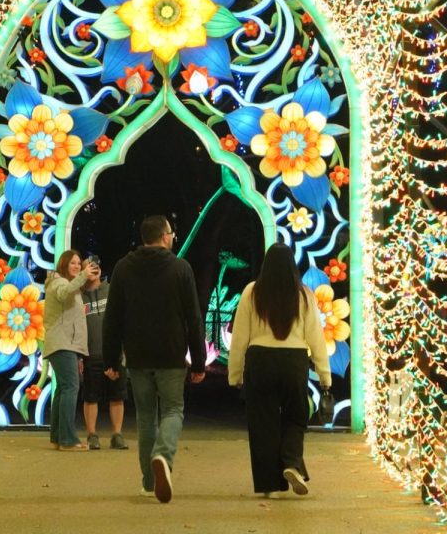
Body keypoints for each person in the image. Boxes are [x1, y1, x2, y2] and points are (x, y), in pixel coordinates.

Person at [103, 215, 206, 503]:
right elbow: (194, 318)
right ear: (163, 236)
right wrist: (199, 361)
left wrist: (111, 359)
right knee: (173, 410)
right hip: (171, 354)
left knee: (146, 417)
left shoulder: (123, 268)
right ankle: (163, 454)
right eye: (171, 233)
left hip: (137, 355)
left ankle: (149, 483)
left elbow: (113, 317)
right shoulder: (180, 268)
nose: (173, 237)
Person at [227, 243, 331, 498]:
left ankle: (269, 485)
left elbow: (240, 336)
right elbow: (316, 338)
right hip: (294, 361)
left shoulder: (252, 292)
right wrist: (325, 375)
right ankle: (291, 463)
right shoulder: (304, 295)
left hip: (260, 360)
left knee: (263, 422)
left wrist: (235, 373)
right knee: (296, 416)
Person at [43, 250, 100, 451]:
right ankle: (67, 439)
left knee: (63, 389)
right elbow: (63, 293)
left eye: (79, 263)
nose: (77, 266)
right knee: (70, 388)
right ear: (64, 265)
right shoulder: (59, 283)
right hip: (62, 343)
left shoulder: (69, 285)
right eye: (73, 263)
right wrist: (84, 275)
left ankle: (58, 437)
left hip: (64, 343)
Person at [80, 257, 129, 450]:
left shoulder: (112, 290)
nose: (94, 267)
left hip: (115, 355)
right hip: (90, 354)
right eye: (88, 265)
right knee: (90, 396)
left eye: (96, 264)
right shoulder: (78, 296)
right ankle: (92, 435)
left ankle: (117, 435)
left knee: (117, 395)